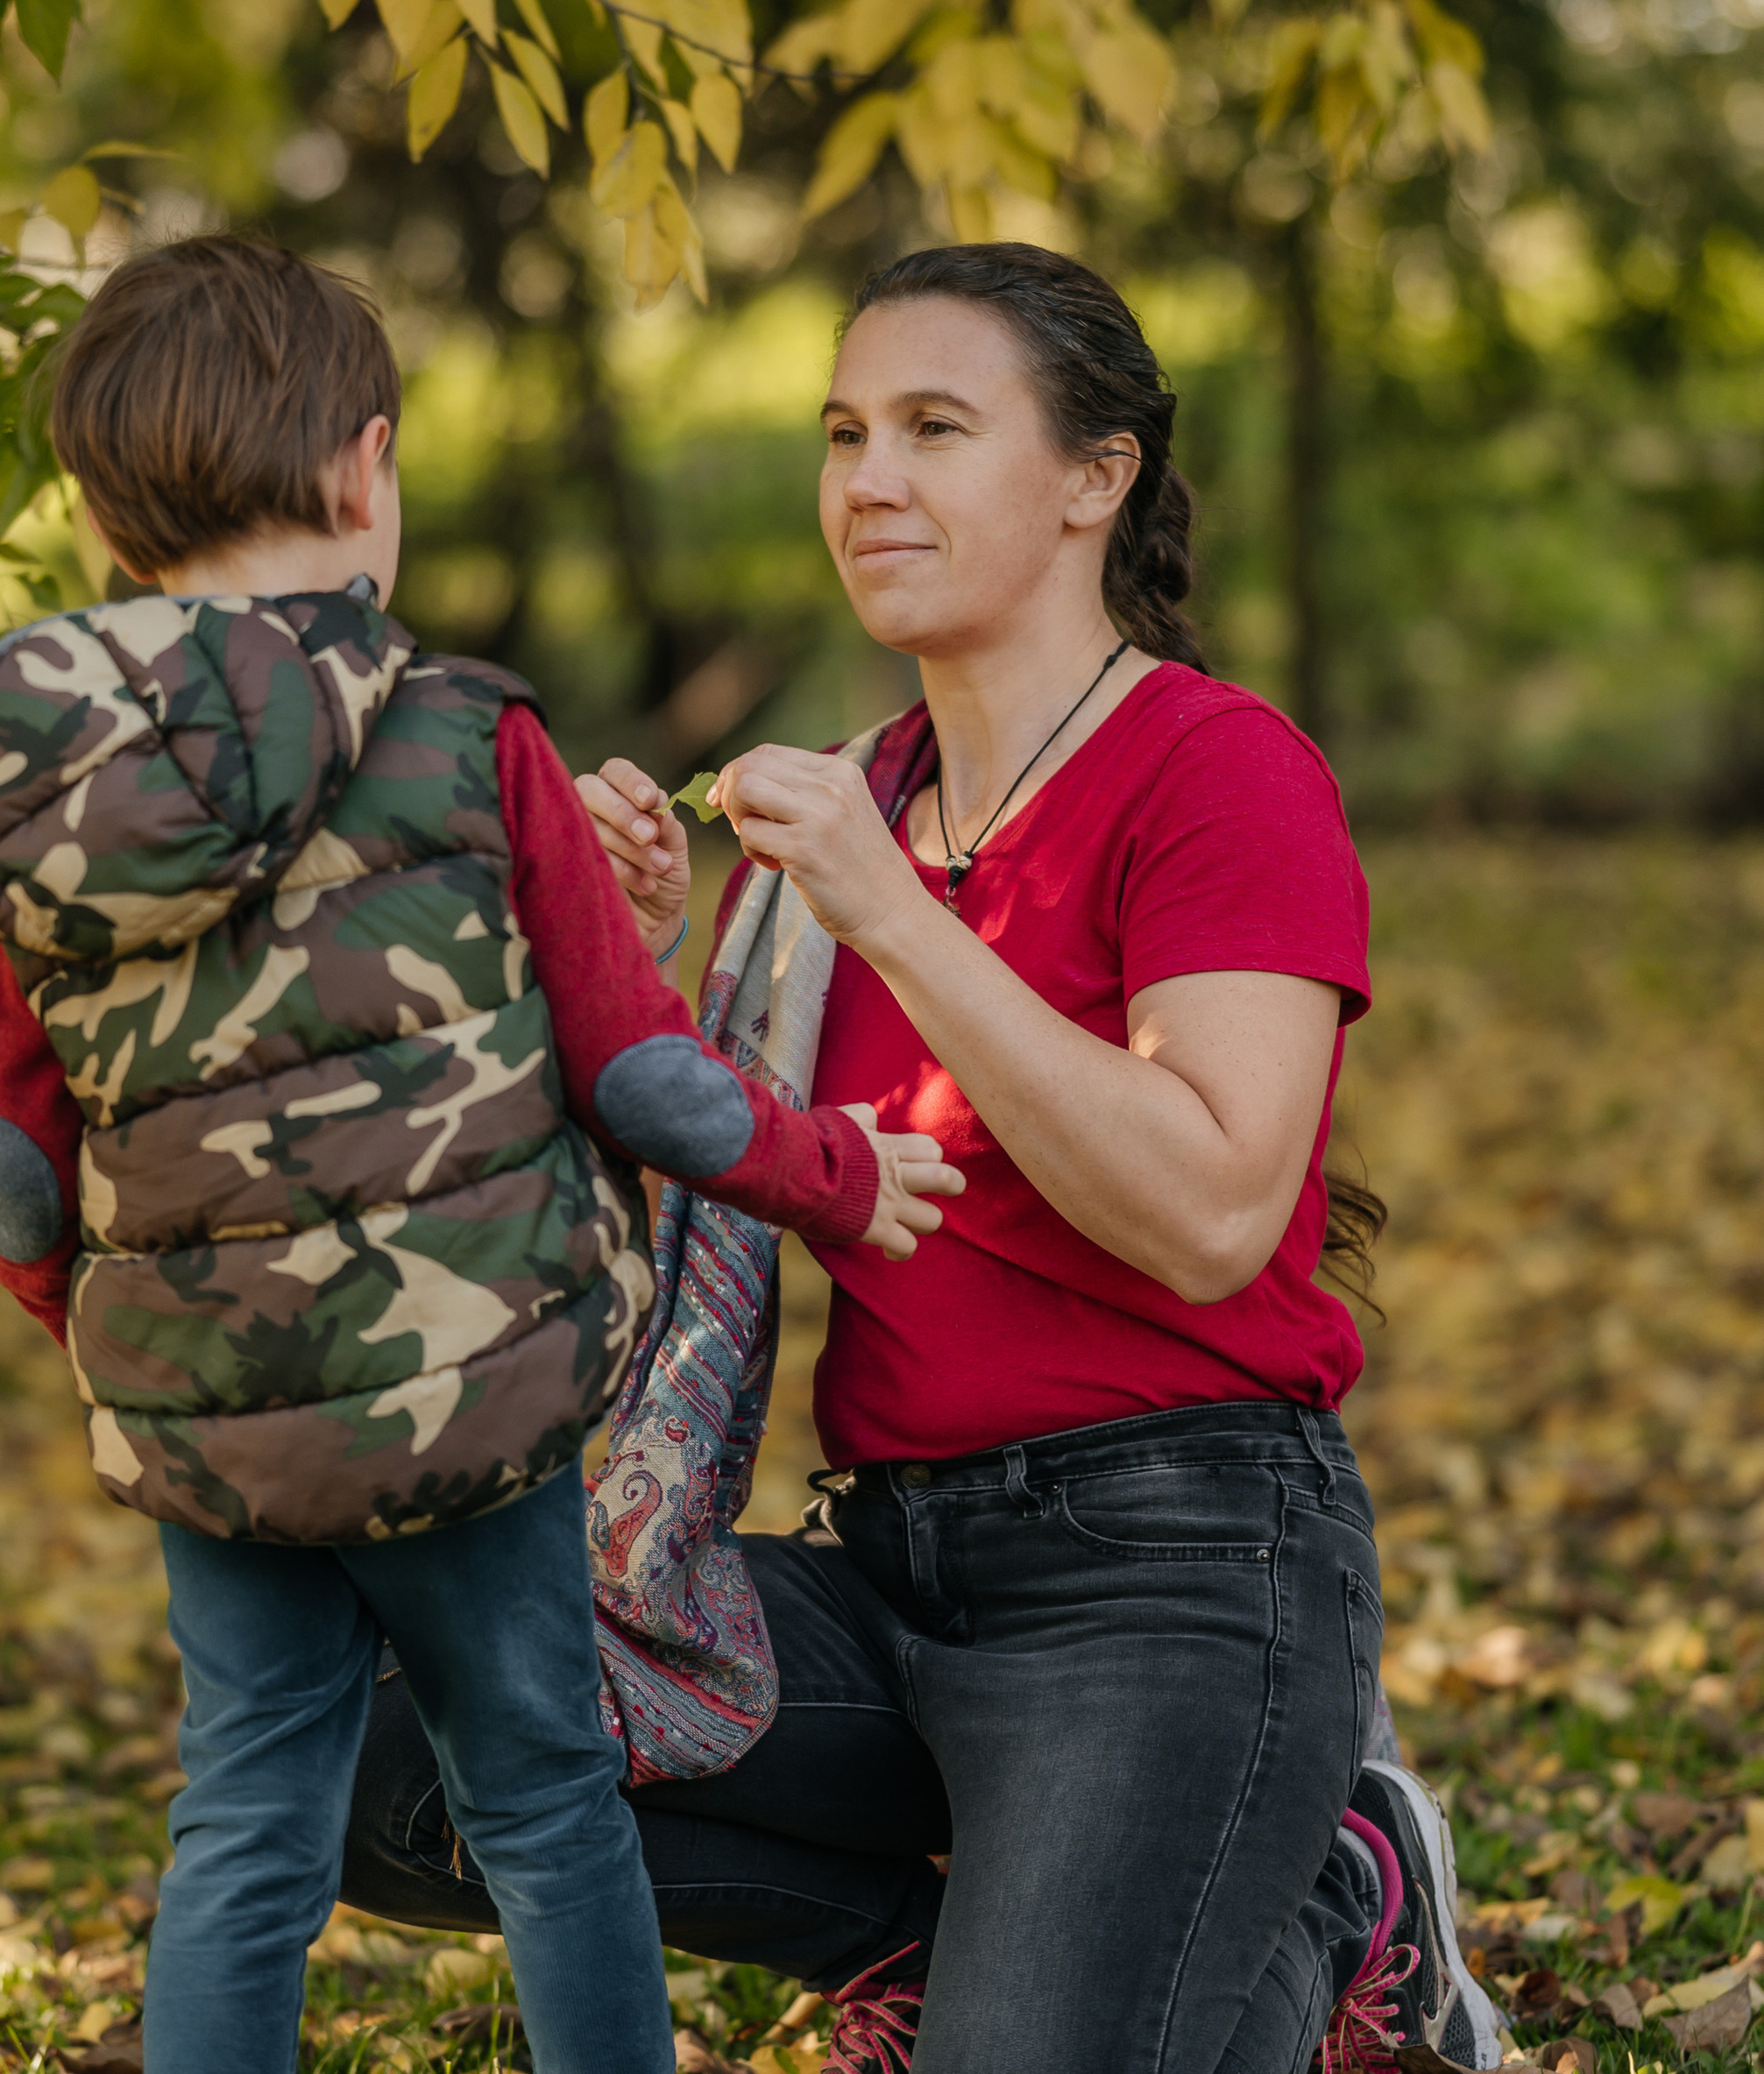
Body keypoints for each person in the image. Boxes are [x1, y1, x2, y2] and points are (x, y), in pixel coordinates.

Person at [336, 243, 1505, 2074]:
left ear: (1089, 480)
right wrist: (606, 955)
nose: (865, 479)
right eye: (841, 431)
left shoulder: (1214, 773)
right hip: (888, 1566)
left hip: (1175, 1566)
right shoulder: (848, 810)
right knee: (381, 1734)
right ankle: (986, 1935)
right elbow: (681, 1204)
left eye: (933, 428)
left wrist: (885, 910)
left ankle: (1328, 1895)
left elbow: (1207, 1211)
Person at [0, 233, 960, 2074]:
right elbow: (639, 1075)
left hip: (215, 1403)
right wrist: (837, 1170)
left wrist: (124, 1325)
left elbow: (10, 1159)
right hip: (466, 1386)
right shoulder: (462, 730)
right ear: (366, 469)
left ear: (108, 511)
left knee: (246, 1822)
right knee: (541, 1793)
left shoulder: (53, 802)